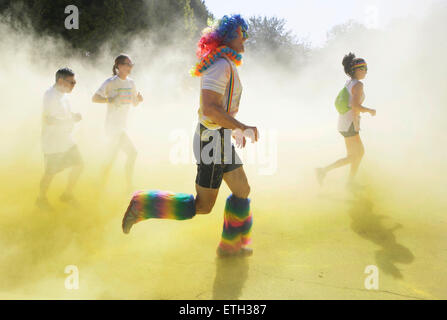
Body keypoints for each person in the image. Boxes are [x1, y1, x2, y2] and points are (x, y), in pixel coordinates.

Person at [121, 15, 259, 258]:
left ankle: (230, 246)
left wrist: (233, 129)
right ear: (228, 37)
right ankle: (143, 204)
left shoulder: (225, 63)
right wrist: (241, 126)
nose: (245, 38)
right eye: (241, 33)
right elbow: (210, 109)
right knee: (203, 206)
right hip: (212, 141)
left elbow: (218, 110)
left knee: (242, 190)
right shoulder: (219, 66)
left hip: (221, 139)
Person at [316, 53, 376, 190]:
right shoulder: (358, 85)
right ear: (357, 70)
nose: (366, 71)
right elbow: (356, 106)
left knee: (354, 155)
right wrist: (370, 111)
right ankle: (326, 172)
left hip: (343, 124)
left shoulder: (349, 82)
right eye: (364, 68)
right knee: (357, 154)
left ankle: (345, 180)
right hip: (349, 124)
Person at [92, 54, 143, 192]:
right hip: (113, 127)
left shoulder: (131, 83)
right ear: (118, 66)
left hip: (122, 126)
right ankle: (128, 187)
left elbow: (134, 103)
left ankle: (99, 185)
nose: (129, 67)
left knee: (111, 158)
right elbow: (95, 98)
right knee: (132, 153)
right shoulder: (111, 82)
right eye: (127, 64)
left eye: (131, 65)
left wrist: (139, 99)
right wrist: (109, 100)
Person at [36, 68, 83, 210]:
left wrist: (73, 116)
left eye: (75, 82)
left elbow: (64, 115)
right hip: (53, 142)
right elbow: (49, 119)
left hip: (66, 140)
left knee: (79, 164)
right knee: (50, 173)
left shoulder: (64, 95)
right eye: (71, 82)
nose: (74, 85)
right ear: (61, 81)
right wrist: (70, 119)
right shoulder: (50, 95)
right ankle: (41, 199)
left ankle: (67, 195)